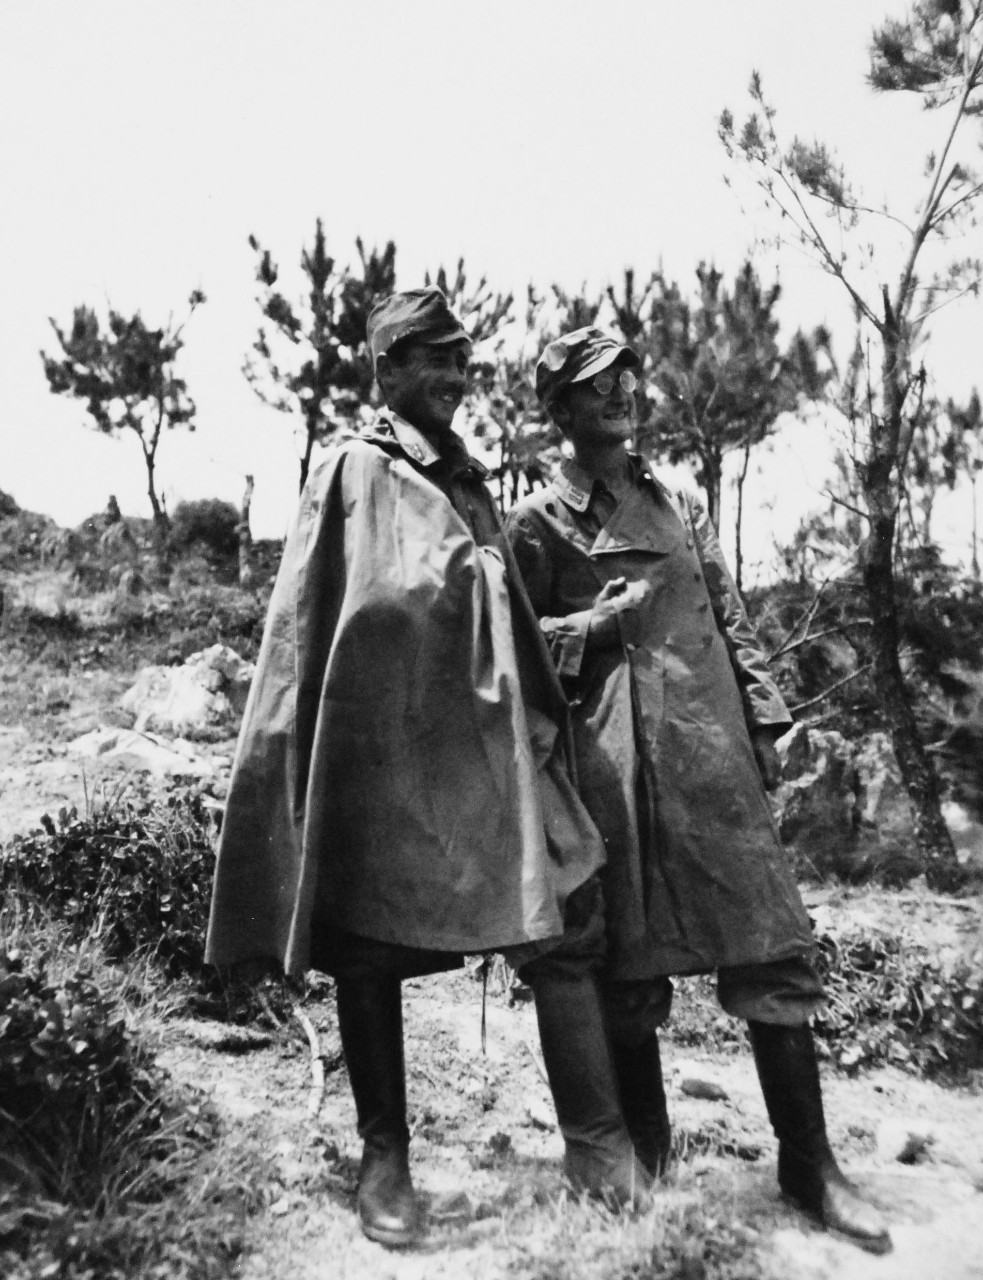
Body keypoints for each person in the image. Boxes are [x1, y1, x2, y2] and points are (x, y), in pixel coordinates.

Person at [204, 292, 646, 1249]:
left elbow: (499, 596)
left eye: (461, 360)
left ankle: (598, 1146)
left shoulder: (469, 477)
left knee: (563, 908)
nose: (453, 377)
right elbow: (333, 615)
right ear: (387, 367)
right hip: (385, 745)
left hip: (486, 739)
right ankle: (384, 1163)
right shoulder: (356, 468)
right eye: (433, 360)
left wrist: (522, 618)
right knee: (368, 945)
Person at [503, 326, 892, 1255]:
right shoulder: (536, 522)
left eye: (627, 376)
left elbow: (730, 615)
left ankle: (808, 1165)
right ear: (557, 410)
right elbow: (513, 653)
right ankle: (647, 1160)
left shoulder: (673, 503)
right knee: (627, 970)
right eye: (596, 384)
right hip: (612, 772)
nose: (621, 392)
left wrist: (768, 721)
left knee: (770, 946)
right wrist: (586, 629)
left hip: (707, 754)